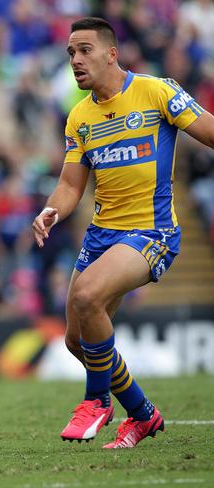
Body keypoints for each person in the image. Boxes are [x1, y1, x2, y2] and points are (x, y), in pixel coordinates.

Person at [32, 17, 214, 448]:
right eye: (70, 53)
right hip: (101, 235)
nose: (75, 60)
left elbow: (208, 131)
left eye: (84, 50)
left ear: (112, 54)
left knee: (86, 295)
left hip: (151, 232)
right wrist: (51, 210)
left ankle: (96, 401)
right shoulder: (79, 116)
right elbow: (72, 183)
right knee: (78, 340)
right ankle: (143, 414)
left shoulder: (156, 90)